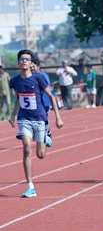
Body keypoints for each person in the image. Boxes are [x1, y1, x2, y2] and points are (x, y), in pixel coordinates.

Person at [9, 49, 64, 198]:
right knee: (27, 148)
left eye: (27, 59)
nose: (24, 61)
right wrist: (13, 115)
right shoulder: (14, 81)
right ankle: (30, 185)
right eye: (21, 59)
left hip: (40, 118)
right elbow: (19, 99)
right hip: (24, 118)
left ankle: (45, 135)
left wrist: (57, 117)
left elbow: (51, 97)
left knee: (41, 155)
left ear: (32, 63)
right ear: (18, 62)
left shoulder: (39, 78)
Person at [32, 57, 52, 144]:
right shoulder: (30, 76)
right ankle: (44, 133)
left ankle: (48, 133)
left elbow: (46, 88)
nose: (32, 68)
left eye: (34, 66)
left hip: (44, 101)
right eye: (31, 67)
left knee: (43, 118)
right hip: (35, 103)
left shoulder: (43, 76)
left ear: (38, 67)